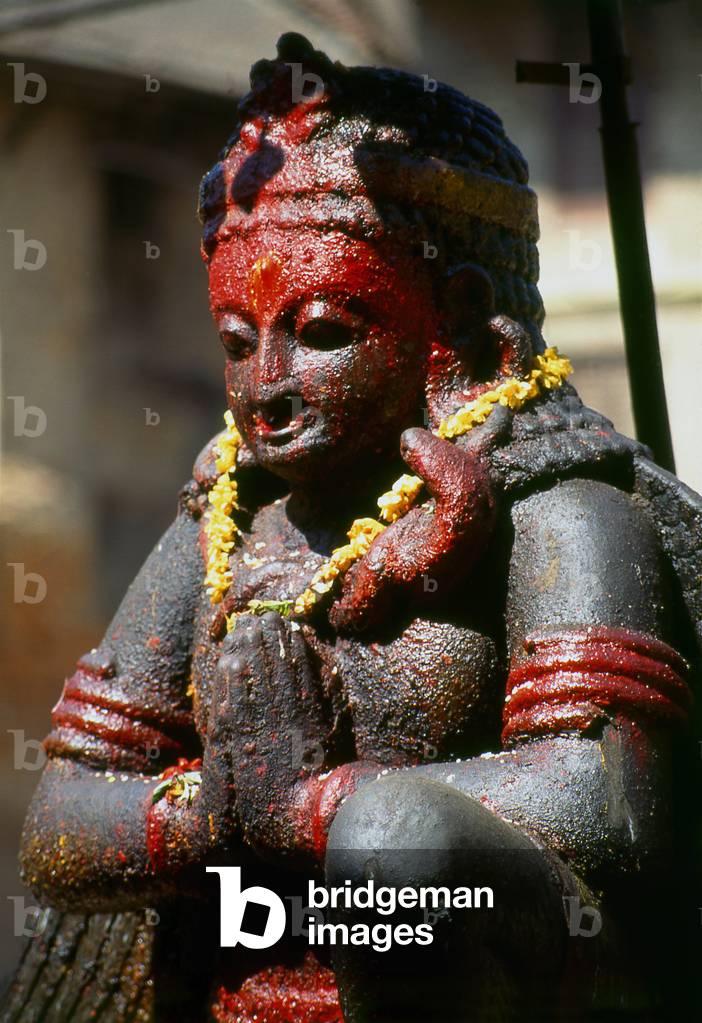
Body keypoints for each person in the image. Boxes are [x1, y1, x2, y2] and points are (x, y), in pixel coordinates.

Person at [5, 33, 701, 1023]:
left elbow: (609, 800)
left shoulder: (557, 510)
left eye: (324, 330)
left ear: (454, 316)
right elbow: (60, 829)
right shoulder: (225, 532)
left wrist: (320, 807)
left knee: (401, 837)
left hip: (502, 978)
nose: (267, 387)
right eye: (238, 345)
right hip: (246, 973)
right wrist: (218, 812)